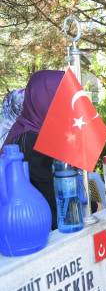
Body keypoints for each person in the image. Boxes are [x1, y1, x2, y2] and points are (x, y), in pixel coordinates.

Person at [4, 71, 64, 229]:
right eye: (61, 96)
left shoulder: (24, 129)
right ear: (44, 99)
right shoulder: (34, 141)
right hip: (37, 230)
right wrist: (92, 206)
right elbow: (50, 196)